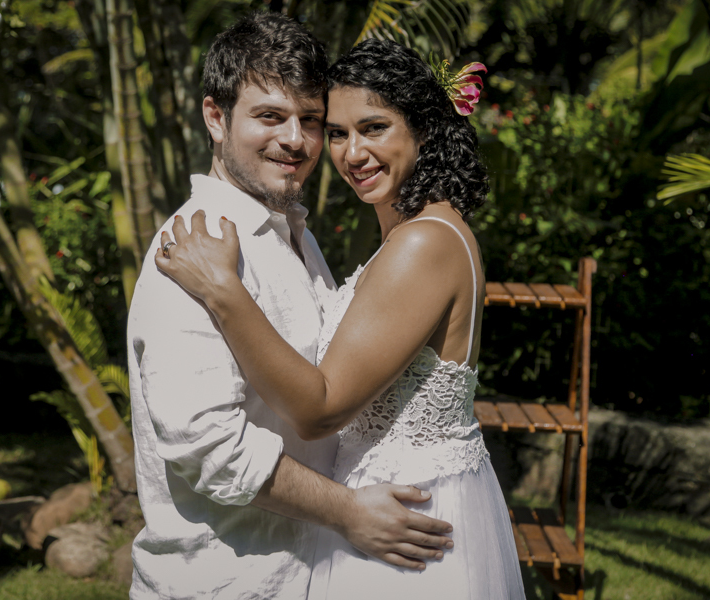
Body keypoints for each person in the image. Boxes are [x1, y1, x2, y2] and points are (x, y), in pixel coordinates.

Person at [156, 39, 526, 599]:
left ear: (422, 129)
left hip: (402, 520)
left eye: (373, 127)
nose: (352, 153)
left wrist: (225, 292)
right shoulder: (415, 233)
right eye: (336, 132)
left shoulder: (423, 243)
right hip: (397, 510)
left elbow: (321, 409)